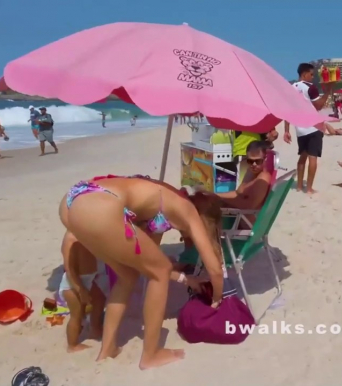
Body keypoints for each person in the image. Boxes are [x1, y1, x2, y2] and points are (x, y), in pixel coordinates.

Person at [58, 176, 224, 369]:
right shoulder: (188, 210)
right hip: (99, 204)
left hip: (73, 201)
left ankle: (108, 348)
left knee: (128, 275)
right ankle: (151, 355)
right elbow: (215, 270)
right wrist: (217, 298)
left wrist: (186, 280)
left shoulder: (167, 201)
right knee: (160, 271)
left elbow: (145, 266)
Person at [284, 63, 331, 195]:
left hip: (299, 129)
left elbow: (287, 111)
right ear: (304, 74)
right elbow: (318, 106)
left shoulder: (291, 87)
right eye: (311, 74)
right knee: (313, 158)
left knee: (302, 157)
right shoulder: (310, 88)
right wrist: (327, 92)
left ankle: (299, 186)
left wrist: (286, 130)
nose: (313, 76)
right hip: (313, 127)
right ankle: (309, 188)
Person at [59, 231, 108, 353]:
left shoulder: (85, 233)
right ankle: (72, 345)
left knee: (100, 299)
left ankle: (95, 328)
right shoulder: (70, 240)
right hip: (73, 284)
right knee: (76, 315)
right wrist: (81, 290)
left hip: (88, 279)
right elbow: (69, 270)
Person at [218, 141, 271, 211]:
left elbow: (250, 206)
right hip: (238, 215)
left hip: (247, 219)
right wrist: (216, 195)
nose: (254, 165)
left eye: (258, 161)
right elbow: (237, 193)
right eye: (250, 161)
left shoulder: (263, 179)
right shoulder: (250, 172)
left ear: (265, 159)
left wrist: (221, 198)